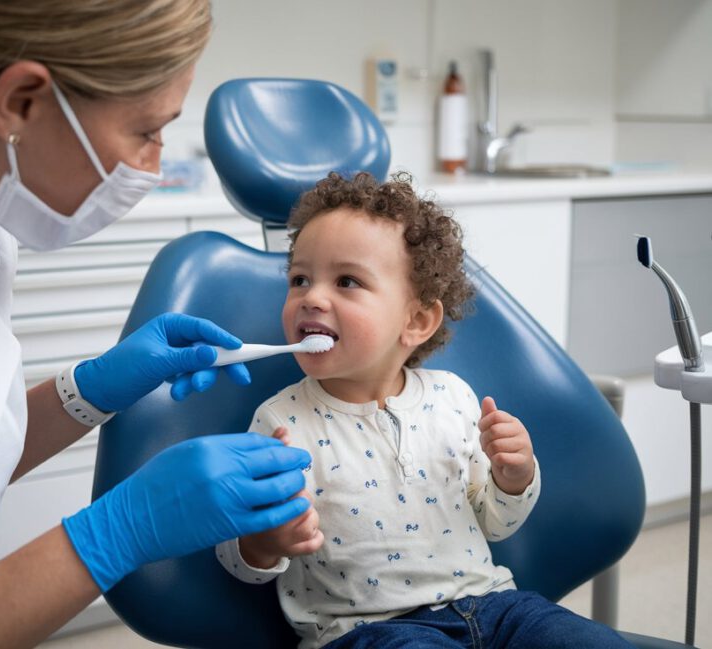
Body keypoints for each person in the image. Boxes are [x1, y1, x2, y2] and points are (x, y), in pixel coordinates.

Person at [0, 1, 313, 647]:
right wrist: (119, 530)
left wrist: (90, 389)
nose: (152, 167)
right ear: (21, 102)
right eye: (146, 131)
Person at [216, 172, 633, 649]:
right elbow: (236, 558)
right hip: (371, 631)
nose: (311, 296)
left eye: (346, 280)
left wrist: (512, 477)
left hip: (496, 607)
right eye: (300, 279)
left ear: (416, 321)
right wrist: (266, 541)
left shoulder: (453, 397)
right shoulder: (281, 423)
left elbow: (495, 522)